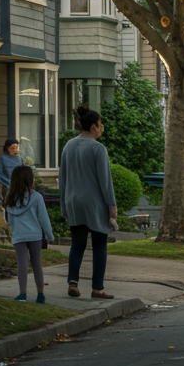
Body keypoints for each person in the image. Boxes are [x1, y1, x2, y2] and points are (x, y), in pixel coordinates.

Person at [59, 106, 117, 299]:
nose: (102, 129)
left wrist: (64, 207)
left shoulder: (68, 145)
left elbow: (63, 178)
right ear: (93, 127)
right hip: (94, 204)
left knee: (77, 244)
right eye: (100, 125)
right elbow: (105, 181)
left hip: (73, 202)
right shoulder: (98, 148)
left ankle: (72, 282)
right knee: (100, 245)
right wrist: (112, 209)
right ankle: (97, 288)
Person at [3, 164, 53, 303]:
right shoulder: (36, 197)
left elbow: (8, 218)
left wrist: (15, 228)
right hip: (35, 235)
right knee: (36, 263)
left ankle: (22, 294)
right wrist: (49, 236)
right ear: (29, 179)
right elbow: (44, 218)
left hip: (19, 236)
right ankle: (40, 294)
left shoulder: (10, 199)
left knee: (22, 264)